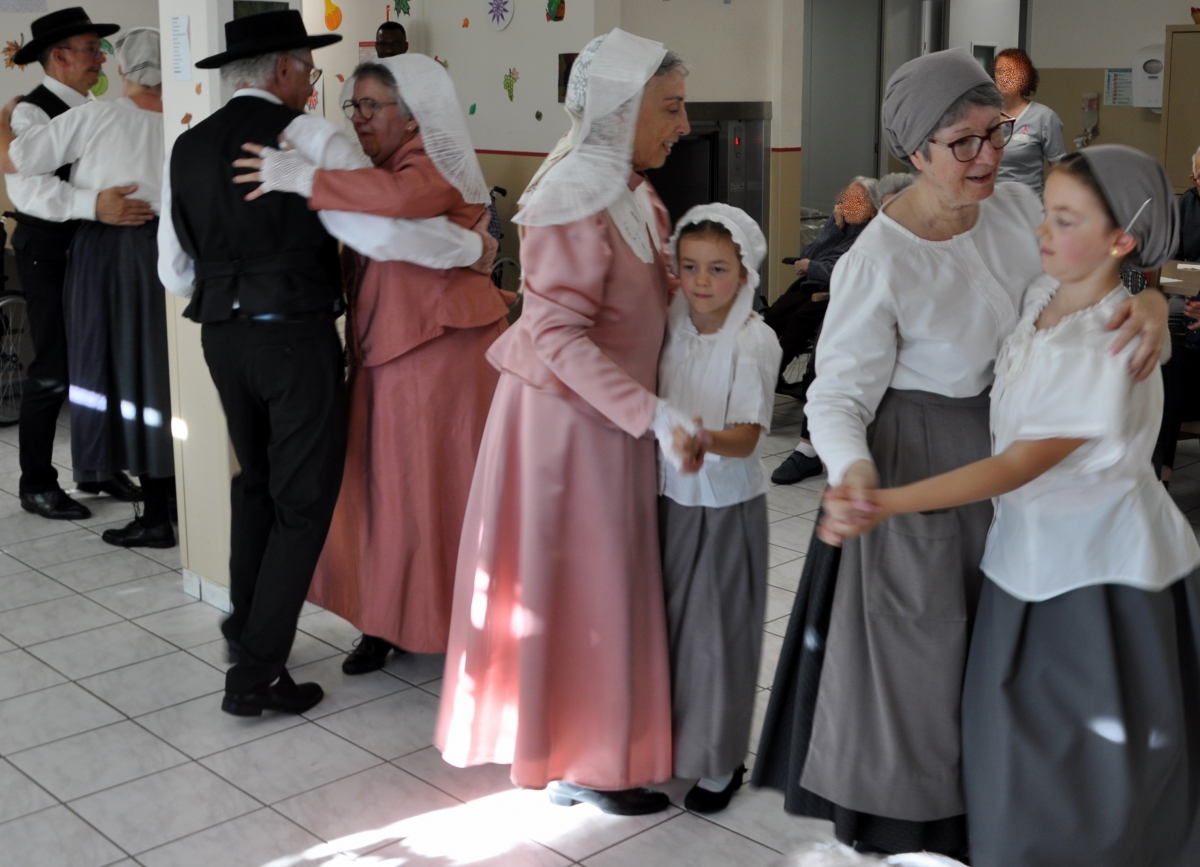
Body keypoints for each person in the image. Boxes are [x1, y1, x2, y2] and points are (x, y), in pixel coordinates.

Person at [751, 48, 1169, 859]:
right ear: (915, 153)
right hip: (920, 456)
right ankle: (923, 818)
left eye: (995, 133)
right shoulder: (880, 258)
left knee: (1010, 640)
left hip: (1014, 436)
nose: (988, 156)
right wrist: (854, 467)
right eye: (963, 143)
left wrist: (1144, 302)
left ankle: (1012, 802)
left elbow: (1077, 281)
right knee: (926, 647)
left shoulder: (1014, 208)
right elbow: (838, 394)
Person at [825, 145, 1200, 867]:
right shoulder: (1046, 296)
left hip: (1096, 584)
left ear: (1121, 239)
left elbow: (1014, 466)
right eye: (1045, 212)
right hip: (1026, 565)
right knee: (1017, 757)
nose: (1040, 231)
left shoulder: (1105, 346)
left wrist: (889, 500)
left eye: (1065, 219)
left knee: (1084, 779)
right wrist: (1151, 295)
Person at [435, 29, 692, 816]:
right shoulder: (571, 195)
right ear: (622, 109)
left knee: (600, 585)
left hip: (610, 421)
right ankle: (579, 755)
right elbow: (556, 335)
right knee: (580, 588)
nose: (684, 125)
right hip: (567, 428)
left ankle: (598, 743)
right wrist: (650, 413)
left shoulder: (634, 190)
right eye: (671, 108)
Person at [233, 55, 510, 671]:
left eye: (370, 106)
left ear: (412, 117)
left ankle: (453, 622)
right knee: (380, 492)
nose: (357, 119)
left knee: (437, 492)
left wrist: (304, 177)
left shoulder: (433, 163)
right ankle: (385, 617)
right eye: (352, 106)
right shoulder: (376, 169)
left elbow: (398, 202)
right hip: (384, 350)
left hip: (441, 352)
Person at [158, 9, 348, 719]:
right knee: (303, 502)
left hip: (222, 338)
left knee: (258, 485)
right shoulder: (311, 136)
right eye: (310, 72)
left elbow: (174, 270)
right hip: (295, 335)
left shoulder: (186, 146)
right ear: (284, 68)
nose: (311, 86)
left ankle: (246, 631)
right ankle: (256, 672)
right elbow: (364, 226)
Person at [0, 28, 175, 548]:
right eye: (91, 49)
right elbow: (26, 185)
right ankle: (54, 480)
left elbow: (16, 159)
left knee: (119, 371)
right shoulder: (184, 119)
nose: (99, 58)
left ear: (124, 70)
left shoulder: (98, 114)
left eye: (105, 53)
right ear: (60, 56)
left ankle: (134, 488)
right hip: (129, 249)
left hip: (110, 254)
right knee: (94, 370)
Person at [657, 204, 781, 813]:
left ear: (745, 272)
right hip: (671, 499)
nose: (701, 282)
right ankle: (678, 742)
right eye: (690, 267)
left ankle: (721, 758)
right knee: (675, 629)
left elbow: (748, 436)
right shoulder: (672, 323)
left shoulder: (753, 341)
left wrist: (703, 440)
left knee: (719, 635)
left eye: (718, 269)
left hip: (726, 506)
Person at [770, 173, 916, 487]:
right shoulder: (864, 238)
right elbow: (831, 265)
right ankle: (808, 449)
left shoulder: (912, 245)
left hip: (893, 325)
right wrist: (833, 230)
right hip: (844, 302)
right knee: (818, 362)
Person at [1153, 146, 1200, 485]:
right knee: (1166, 346)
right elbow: (1174, 264)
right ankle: (1161, 468)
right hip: (1189, 296)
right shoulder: (1188, 204)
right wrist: (1191, 291)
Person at [993, 47, 1065, 198]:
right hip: (990, 204)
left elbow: (1059, 169)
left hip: (1028, 205)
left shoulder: (1044, 117)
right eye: (1000, 72)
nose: (1004, 78)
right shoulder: (985, 115)